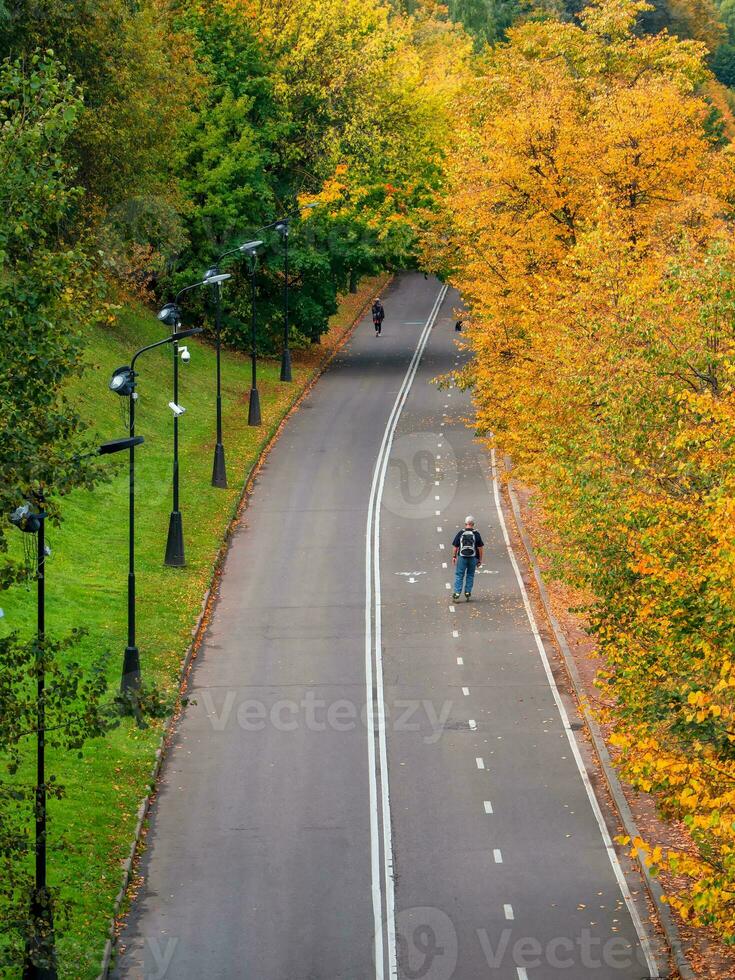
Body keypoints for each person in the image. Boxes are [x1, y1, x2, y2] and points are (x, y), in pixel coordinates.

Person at [451, 516, 484, 601]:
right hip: (473, 558)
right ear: (473, 524)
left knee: (459, 575)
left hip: (462, 557)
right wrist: (480, 560)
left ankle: (457, 593)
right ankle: (467, 592)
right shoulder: (476, 534)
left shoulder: (461, 533)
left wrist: (454, 556)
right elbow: (480, 548)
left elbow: (455, 546)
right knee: (470, 575)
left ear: (465, 524)